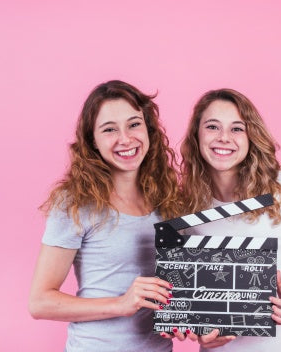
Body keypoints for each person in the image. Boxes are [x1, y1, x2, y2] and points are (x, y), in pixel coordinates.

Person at [176, 88, 281, 351]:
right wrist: (198, 330)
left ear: (250, 137)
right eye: (212, 126)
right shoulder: (188, 204)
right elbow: (191, 294)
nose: (224, 138)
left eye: (237, 129)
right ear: (197, 135)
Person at [28, 80, 183, 351]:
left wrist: (187, 318)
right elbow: (40, 302)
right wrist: (120, 304)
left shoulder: (167, 199)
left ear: (148, 129)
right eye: (109, 129)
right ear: (93, 142)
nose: (125, 138)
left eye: (134, 124)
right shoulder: (75, 203)